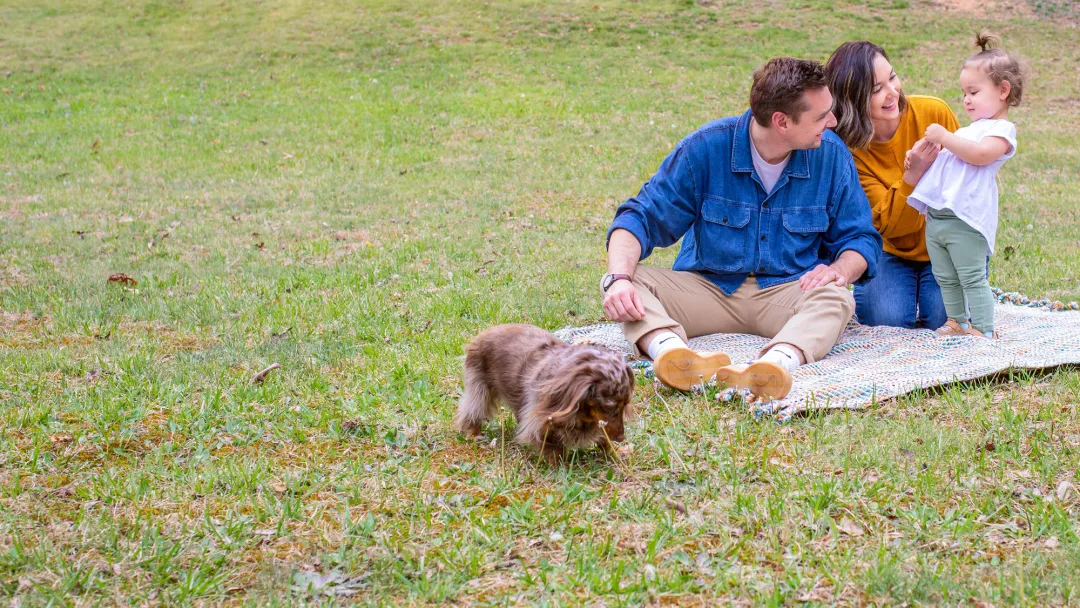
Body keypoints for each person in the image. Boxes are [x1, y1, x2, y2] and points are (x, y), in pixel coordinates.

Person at [601, 57, 882, 400]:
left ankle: (775, 365)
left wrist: (839, 269)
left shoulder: (832, 155)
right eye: (821, 116)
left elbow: (861, 237)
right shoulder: (705, 148)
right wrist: (618, 280)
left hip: (787, 293)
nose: (833, 121)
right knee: (628, 278)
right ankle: (673, 355)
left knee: (837, 295)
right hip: (708, 289)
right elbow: (639, 218)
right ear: (782, 121)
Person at [825, 41, 961, 330]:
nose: (892, 92)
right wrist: (913, 176)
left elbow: (967, 183)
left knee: (943, 320)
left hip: (946, 245)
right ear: (852, 99)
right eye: (876, 90)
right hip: (891, 250)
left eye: (893, 77)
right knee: (885, 322)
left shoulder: (934, 114)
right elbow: (889, 226)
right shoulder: (850, 151)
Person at [906, 32, 1024, 338]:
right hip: (938, 218)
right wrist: (922, 155)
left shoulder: (1001, 131)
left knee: (971, 276)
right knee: (945, 275)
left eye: (973, 91)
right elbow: (951, 162)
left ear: (1003, 90)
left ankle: (984, 329)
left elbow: (980, 156)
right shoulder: (971, 130)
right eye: (963, 93)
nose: (966, 99)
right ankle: (956, 320)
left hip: (966, 219)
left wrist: (945, 137)